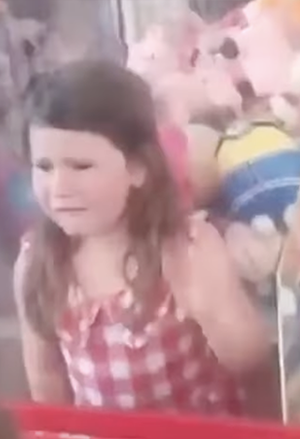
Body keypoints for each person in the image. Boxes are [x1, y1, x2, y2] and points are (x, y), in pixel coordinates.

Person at [14, 59, 273, 416]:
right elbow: (46, 380)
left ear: (138, 169)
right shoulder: (36, 264)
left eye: (80, 166)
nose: (58, 187)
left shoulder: (188, 247)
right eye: (44, 166)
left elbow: (251, 362)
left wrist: (209, 311)